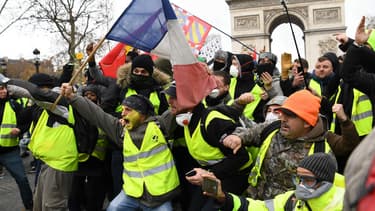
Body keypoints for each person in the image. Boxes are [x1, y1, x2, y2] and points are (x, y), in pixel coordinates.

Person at [60, 83, 180, 211]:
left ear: (142, 114)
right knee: (113, 208)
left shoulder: (160, 125)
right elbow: (97, 115)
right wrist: (72, 97)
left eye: (128, 110)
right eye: (122, 109)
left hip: (160, 196)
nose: (122, 113)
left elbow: (178, 107)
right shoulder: (120, 130)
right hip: (132, 193)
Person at [222, 90, 356, 200]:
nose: (283, 119)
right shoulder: (273, 128)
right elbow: (251, 132)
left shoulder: (321, 153)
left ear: (307, 122)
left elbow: (321, 196)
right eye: (283, 113)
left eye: (290, 115)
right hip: (254, 201)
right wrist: (237, 138)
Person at [162, 80, 254, 210]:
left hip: (235, 177)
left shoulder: (213, 121)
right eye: (169, 97)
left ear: (191, 100)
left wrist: (209, 172)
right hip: (214, 175)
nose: (169, 101)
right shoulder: (187, 120)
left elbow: (241, 157)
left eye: (175, 97)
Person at [204, 153, 344, 210]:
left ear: (325, 182)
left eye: (307, 180)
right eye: (299, 178)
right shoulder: (291, 198)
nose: (300, 185)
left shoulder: (348, 203)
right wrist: (224, 198)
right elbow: (261, 208)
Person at [0, 76, 33, 210]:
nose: (1, 92)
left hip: (10, 151)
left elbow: (27, 121)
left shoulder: (15, 104)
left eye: (2, 89)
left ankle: (30, 206)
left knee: (22, 179)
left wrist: (19, 129)